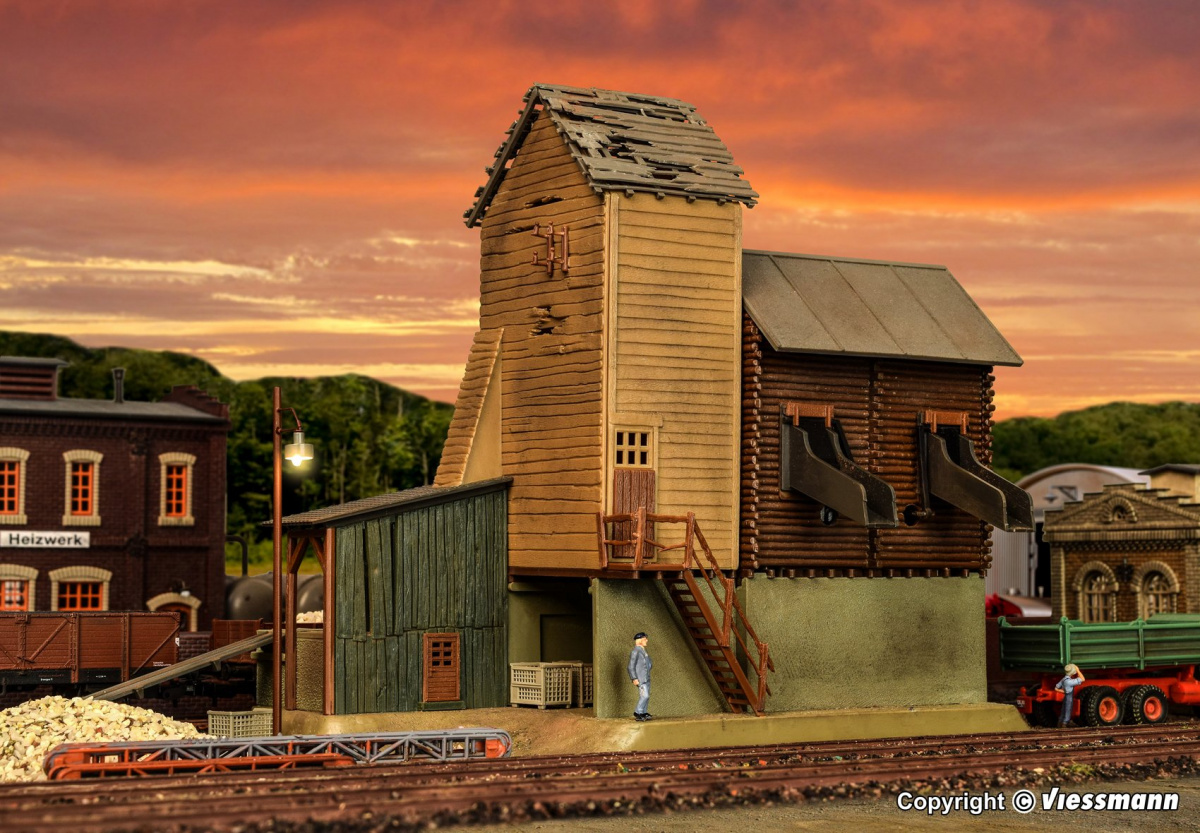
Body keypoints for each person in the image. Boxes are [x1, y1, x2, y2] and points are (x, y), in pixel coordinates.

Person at [628, 632, 652, 721]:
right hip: (641, 679)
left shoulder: (643, 651)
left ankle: (644, 712)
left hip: (646, 677)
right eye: (645, 639)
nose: (647, 640)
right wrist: (634, 678)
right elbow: (630, 666)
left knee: (647, 696)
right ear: (640, 640)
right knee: (644, 695)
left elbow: (648, 663)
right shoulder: (635, 651)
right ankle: (638, 712)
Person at [1055, 663, 1086, 728]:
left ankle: (1060, 722)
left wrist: (1063, 691)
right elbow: (1083, 679)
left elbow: (1056, 688)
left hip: (1066, 696)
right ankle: (1065, 723)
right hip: (1069, 697)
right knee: (1068, 710)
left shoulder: (1064, 679)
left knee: (1064, 709)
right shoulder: (1069, 682)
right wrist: (1078, 670)